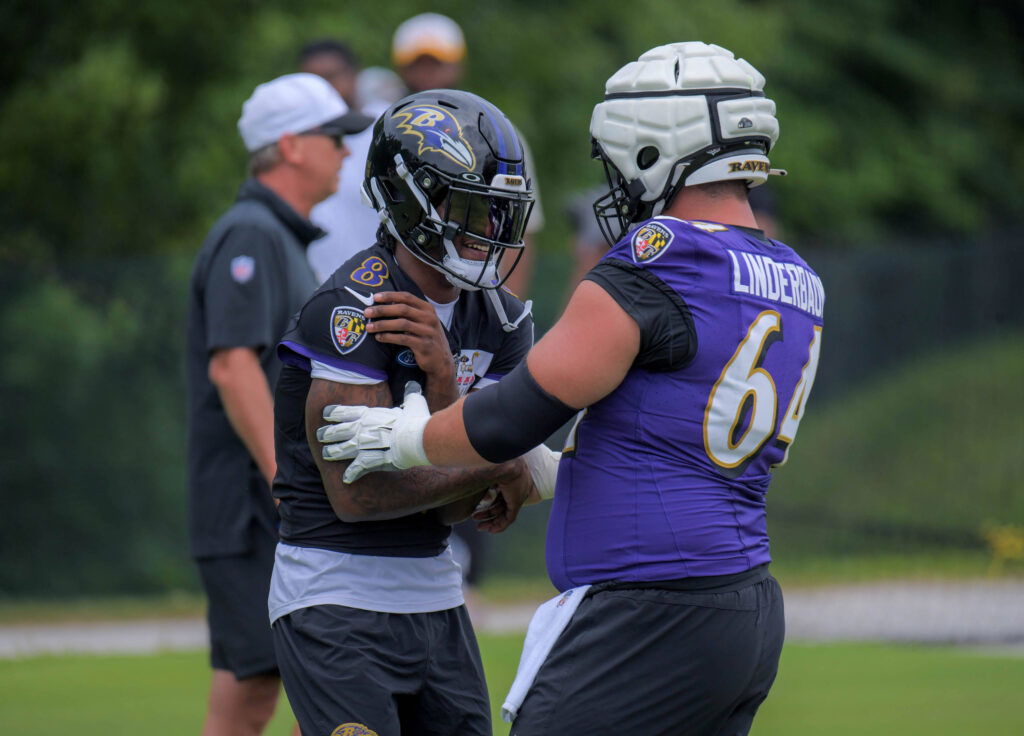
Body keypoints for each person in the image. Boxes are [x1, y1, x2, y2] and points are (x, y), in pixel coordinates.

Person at [318, 42, 826, 736]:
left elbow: (510, 415)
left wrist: (407, 438)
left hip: (647, 611)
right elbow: (678, 444)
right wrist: (547, 473)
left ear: (653, 148)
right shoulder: (792, 276)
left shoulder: (658, 265)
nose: (616, 182)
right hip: (745, 610)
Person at [268, 89, 542, 736]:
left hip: (437, 595)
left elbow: (454, 503)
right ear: (410, 197)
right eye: (474, 207)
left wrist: (445, 381)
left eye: (501, 212)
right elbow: (360, 497)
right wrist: (500, 460)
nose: (491, 231)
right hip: (334, 597)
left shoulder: (501, 318)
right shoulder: (353, 308)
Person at [185, 72, 370, 736]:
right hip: (250, 508)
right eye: (333, 139)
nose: (345, 153)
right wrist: (282, 477)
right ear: (291, 146)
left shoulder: (280, 238)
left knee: (280, 681)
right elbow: (234, 366)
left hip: (262, 505)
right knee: (272, 680)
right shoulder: (252, 234)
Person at [391, 12, 545, 300]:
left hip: (464, 296)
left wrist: (504, 310)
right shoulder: (382, 133)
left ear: (458, 66)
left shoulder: (495, 134)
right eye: (418, 64)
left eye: (437, 63)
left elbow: (517, 232)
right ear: (401, 68)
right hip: (389, 284)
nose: (428, 74)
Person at [299, 40, 387, 284]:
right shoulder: (295, 142)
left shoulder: (386, 129)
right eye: (311, 81)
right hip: (314, 292)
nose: (321, 90)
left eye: (330, 77)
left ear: (354, 76)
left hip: (377, 289)